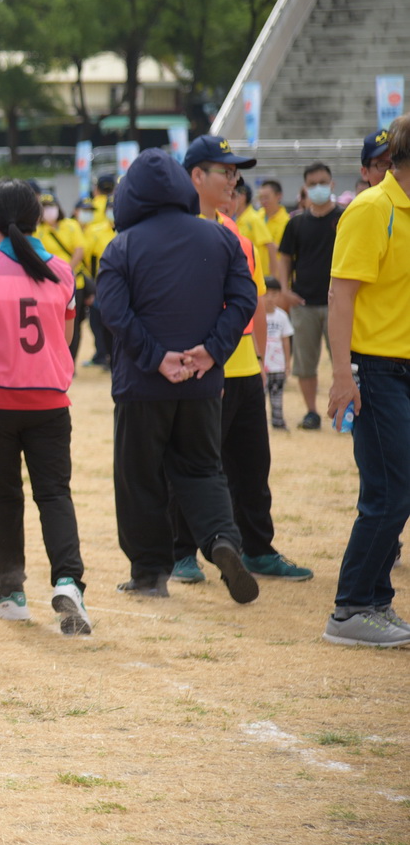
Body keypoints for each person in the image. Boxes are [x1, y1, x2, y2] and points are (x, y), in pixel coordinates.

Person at [94, 148, 259, 602]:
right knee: (204, 469)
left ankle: (149, 574)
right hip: (203, 382)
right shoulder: (220, 239)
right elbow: (244, 300)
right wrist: (211, 351)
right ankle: (223, 540)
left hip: (142, 385)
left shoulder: (121, 246)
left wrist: (155, 357)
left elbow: (113, 312)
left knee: (139, 476)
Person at [169, 137, 312, 587]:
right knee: (195, 464)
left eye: (236, 173)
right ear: (196, 177)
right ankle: (181, 553)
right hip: (204, 372)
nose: (235, 181)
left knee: (252, 467)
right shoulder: (176, 232)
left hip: (246, 368)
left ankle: (258, 548)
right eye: (225, 172)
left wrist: (268, 361)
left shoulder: (240, 238)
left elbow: (255, 304)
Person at [0, 178, 90, 634]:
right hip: (49, 398)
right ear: (37, 219)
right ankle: (69, 579)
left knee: (4, 495)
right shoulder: (61, 271)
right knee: (54, 493)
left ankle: (11, 591)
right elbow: (65, 339)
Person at [319, 116, 410, 646]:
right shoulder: (372, 209)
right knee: (389, 492)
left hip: (400, 368)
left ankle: (374, 601)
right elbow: (341, 297)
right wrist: (341, 376)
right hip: (375, 370)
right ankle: (351, 607)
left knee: (395, 491)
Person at [276, 161, 343, 430]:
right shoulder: (296, 223)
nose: (318, 188)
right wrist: (284, 289)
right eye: (312, 184)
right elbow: (284, 257)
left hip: (339, 303)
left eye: (322, 182)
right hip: (303, 303)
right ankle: (311, 412)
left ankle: (344, 412)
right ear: (305, 187)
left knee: (343, 362)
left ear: (332, 184)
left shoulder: (344, 217)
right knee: (305, 363)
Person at [35, 192, 87, 364]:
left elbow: (79, 250)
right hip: (47, 285)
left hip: (73, 283)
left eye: (51, 207)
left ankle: (70, 361)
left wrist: (66, 271)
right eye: (44, 208)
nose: (48, 211)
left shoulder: (71, 225)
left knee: (73, 323)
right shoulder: (38, 230)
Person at [77, 196, 115, 369]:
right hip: (101, 283)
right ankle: (105, 355)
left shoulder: (131, 229)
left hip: (121, 283)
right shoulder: (96, 231)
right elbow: (87, 258)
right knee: (98, 322)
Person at [262, 276, 293, 429]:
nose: (270, 298)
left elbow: (286, 340)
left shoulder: (282, 316)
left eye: (274, 294)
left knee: (277, 396)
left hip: (278, 366)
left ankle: (278, 421)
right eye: (266, 293)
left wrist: (287, 363)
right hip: (262, 366)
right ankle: (259, 424)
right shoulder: (257, 316)